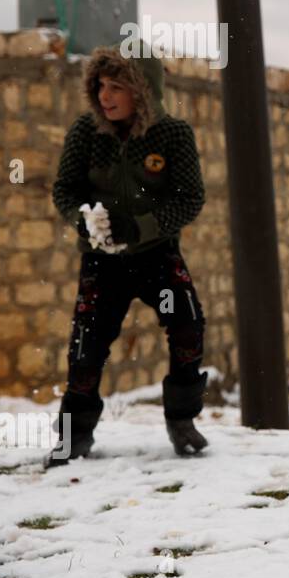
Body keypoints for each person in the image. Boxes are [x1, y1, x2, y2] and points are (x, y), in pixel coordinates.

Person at [47, 46, 209, 468]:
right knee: (86, 345)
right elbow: (65, 189)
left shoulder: (173, 134)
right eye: (100, 85)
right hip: (102, 262)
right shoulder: (86, 132)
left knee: (188, 326)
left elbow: (190, 198)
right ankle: (74, 436)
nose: (105, 95)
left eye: (117, 86)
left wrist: (141, 227)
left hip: (157, 255)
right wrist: (84, 220)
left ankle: (182, 420)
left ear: (143, 90)